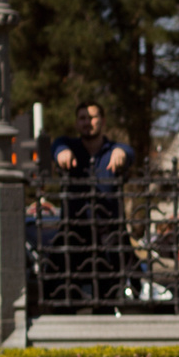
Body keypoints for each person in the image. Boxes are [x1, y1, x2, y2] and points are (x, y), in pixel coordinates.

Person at [48, 102, 134, 308]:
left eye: (93, 118)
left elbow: (128, 152)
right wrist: (61, 153)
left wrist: (121, 153)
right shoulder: (69, 146)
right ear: (77, 123)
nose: (88, 122)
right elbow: (57, 146)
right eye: (83, 118)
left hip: (108, 233)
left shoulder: (113, 149)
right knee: (64, 290)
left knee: (109, 292)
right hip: (75, 232)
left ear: (102, 122)